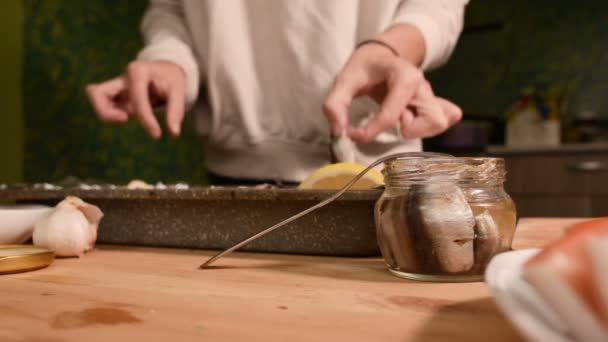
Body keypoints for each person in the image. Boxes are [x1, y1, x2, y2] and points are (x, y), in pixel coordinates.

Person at [86, 0, 468, 185]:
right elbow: (169, 9)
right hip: (233, 180)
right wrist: (169, 57)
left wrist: (389, 49)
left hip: (378, 175)